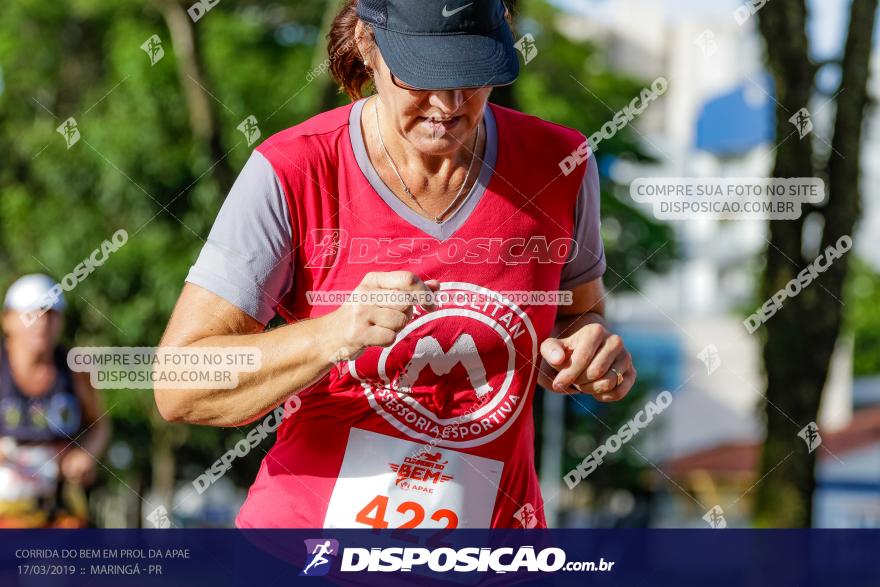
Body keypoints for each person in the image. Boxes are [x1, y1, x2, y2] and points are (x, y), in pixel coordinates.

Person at [155, 0, 636, 529]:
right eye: (422, 76)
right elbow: (181, 385)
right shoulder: (292, 169)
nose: (448, 103)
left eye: (472, 75)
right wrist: (333, 334)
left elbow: (577, 314)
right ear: (367, 44)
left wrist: (587, 353)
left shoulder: (561, 164)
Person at [0, 274, 110, 527]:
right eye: (32, 314)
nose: (42, 323)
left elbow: (100, 424)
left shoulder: (76, 369)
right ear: (7, 320)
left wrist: (85, 456)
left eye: (51, 314)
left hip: (59, 507)